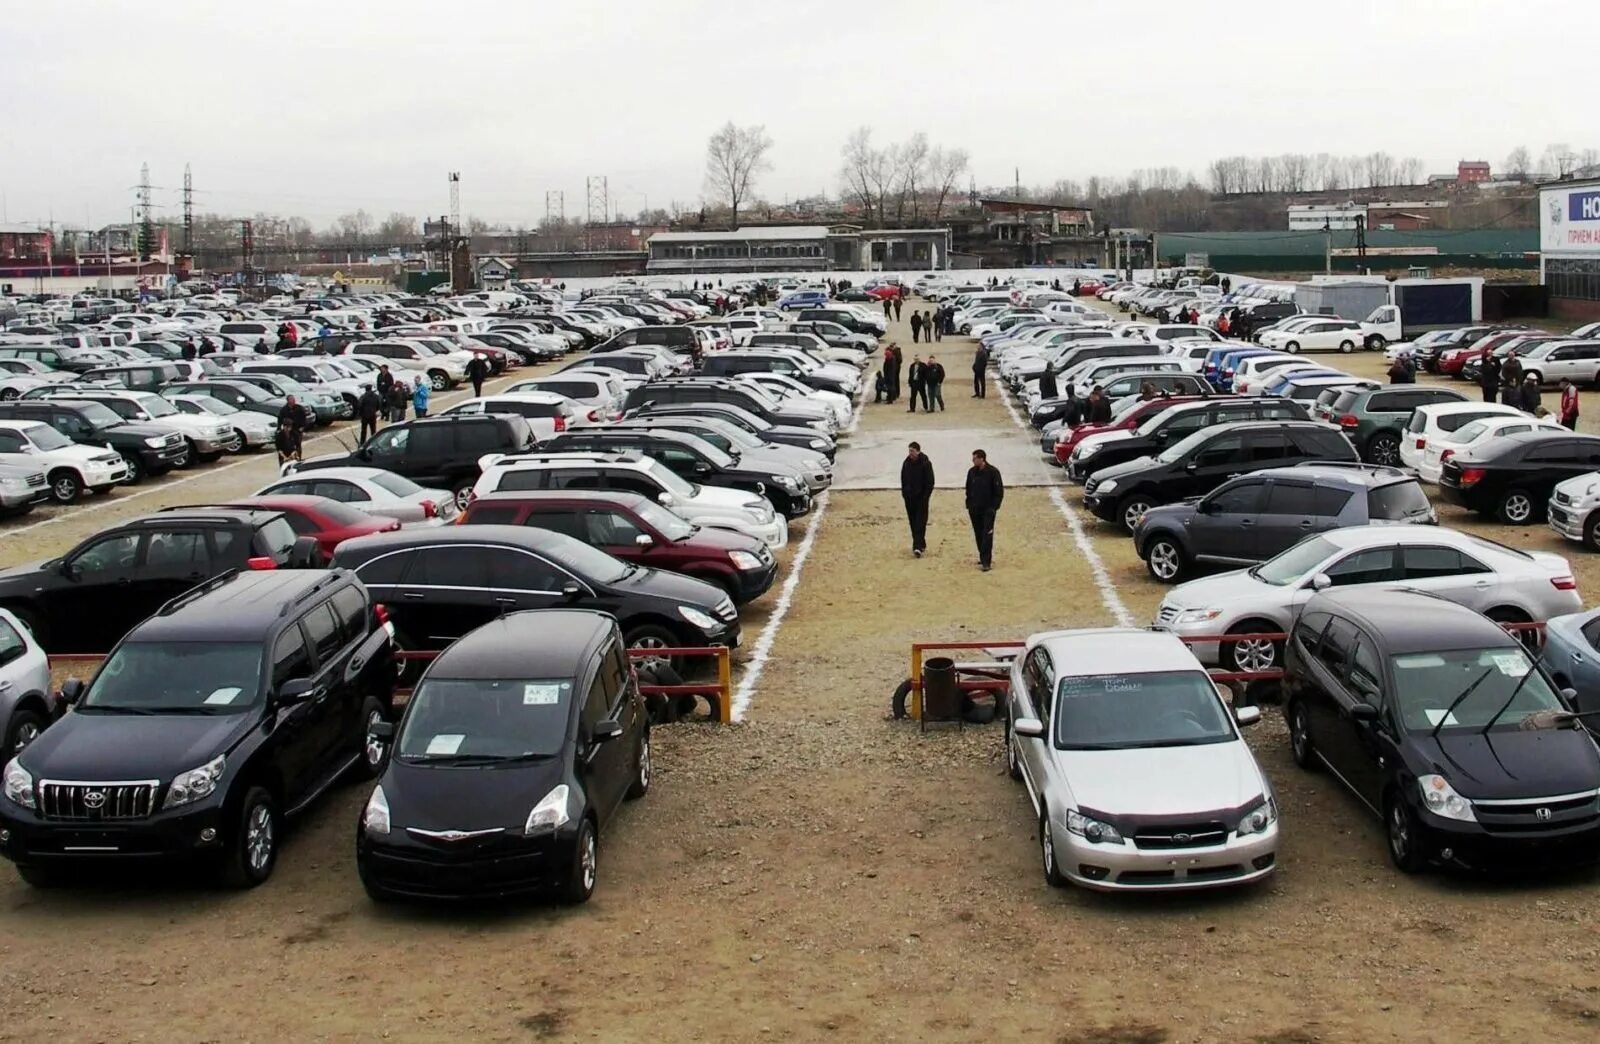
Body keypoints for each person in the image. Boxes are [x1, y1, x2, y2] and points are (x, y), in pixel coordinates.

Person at [964, 449, 1004, 572]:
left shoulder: (993, 472)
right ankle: (982, 554)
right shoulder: (971, 472)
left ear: (982, 459)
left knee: (987, 533)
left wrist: (994, 507)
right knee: (978, 532)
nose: (973, 461)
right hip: (974, 508)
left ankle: (986, 561)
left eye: (975, 458)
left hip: (988, 509)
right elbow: (968, 488)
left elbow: (999, 492)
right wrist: (969, 503)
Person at [900, 441, 935, 558]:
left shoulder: (925, 463)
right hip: (909, 498)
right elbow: (903, 479)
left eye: (912, 451)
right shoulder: (906, 463)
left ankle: (917, 547)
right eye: (909, 451)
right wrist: (904, 493)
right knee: (913, 522)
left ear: (918, 451)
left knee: (921, 521)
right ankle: (921, 542)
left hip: (921, 498)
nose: (910, 453)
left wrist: (925, 497)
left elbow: (930, 482)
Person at [276, 395, 305, 466]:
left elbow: (304, 418)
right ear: (288, 401)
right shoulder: (284, 410)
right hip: (287, 428)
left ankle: (298, 458)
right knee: (285, 445)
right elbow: (280, 419)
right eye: (291, 399)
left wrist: (303, 427)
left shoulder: (299, 408)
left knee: (297, 444)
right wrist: (279, 427)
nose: (293, 401)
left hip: (297, 429)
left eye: (294, 399)